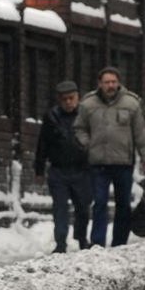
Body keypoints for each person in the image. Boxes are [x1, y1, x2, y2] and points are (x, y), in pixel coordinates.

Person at [73, 67, 145, 247]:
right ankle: (97, 244)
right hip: (98, 163)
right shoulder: (88, 104)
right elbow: (79, 128)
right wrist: (87, 143)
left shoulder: (131, 103)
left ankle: (119, 243)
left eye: (113, 82)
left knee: (123, 205)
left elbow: (141, 133)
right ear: (99, 84)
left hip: (123, 163)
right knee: (100, 203)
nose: (110, 85)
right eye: (107, 82)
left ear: (118, 83)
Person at [34, 80, 92, 253]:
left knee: (82, 207)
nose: (68, 102)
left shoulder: (86, 116)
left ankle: (81, 238)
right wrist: (39, 169)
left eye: (71, 98)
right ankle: (60, 243)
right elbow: (42, 144)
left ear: (77, 98)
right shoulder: (52, 117)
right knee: (60, 208)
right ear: (59, 100)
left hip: (82, 169)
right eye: (64, 99)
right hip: (58, 170)